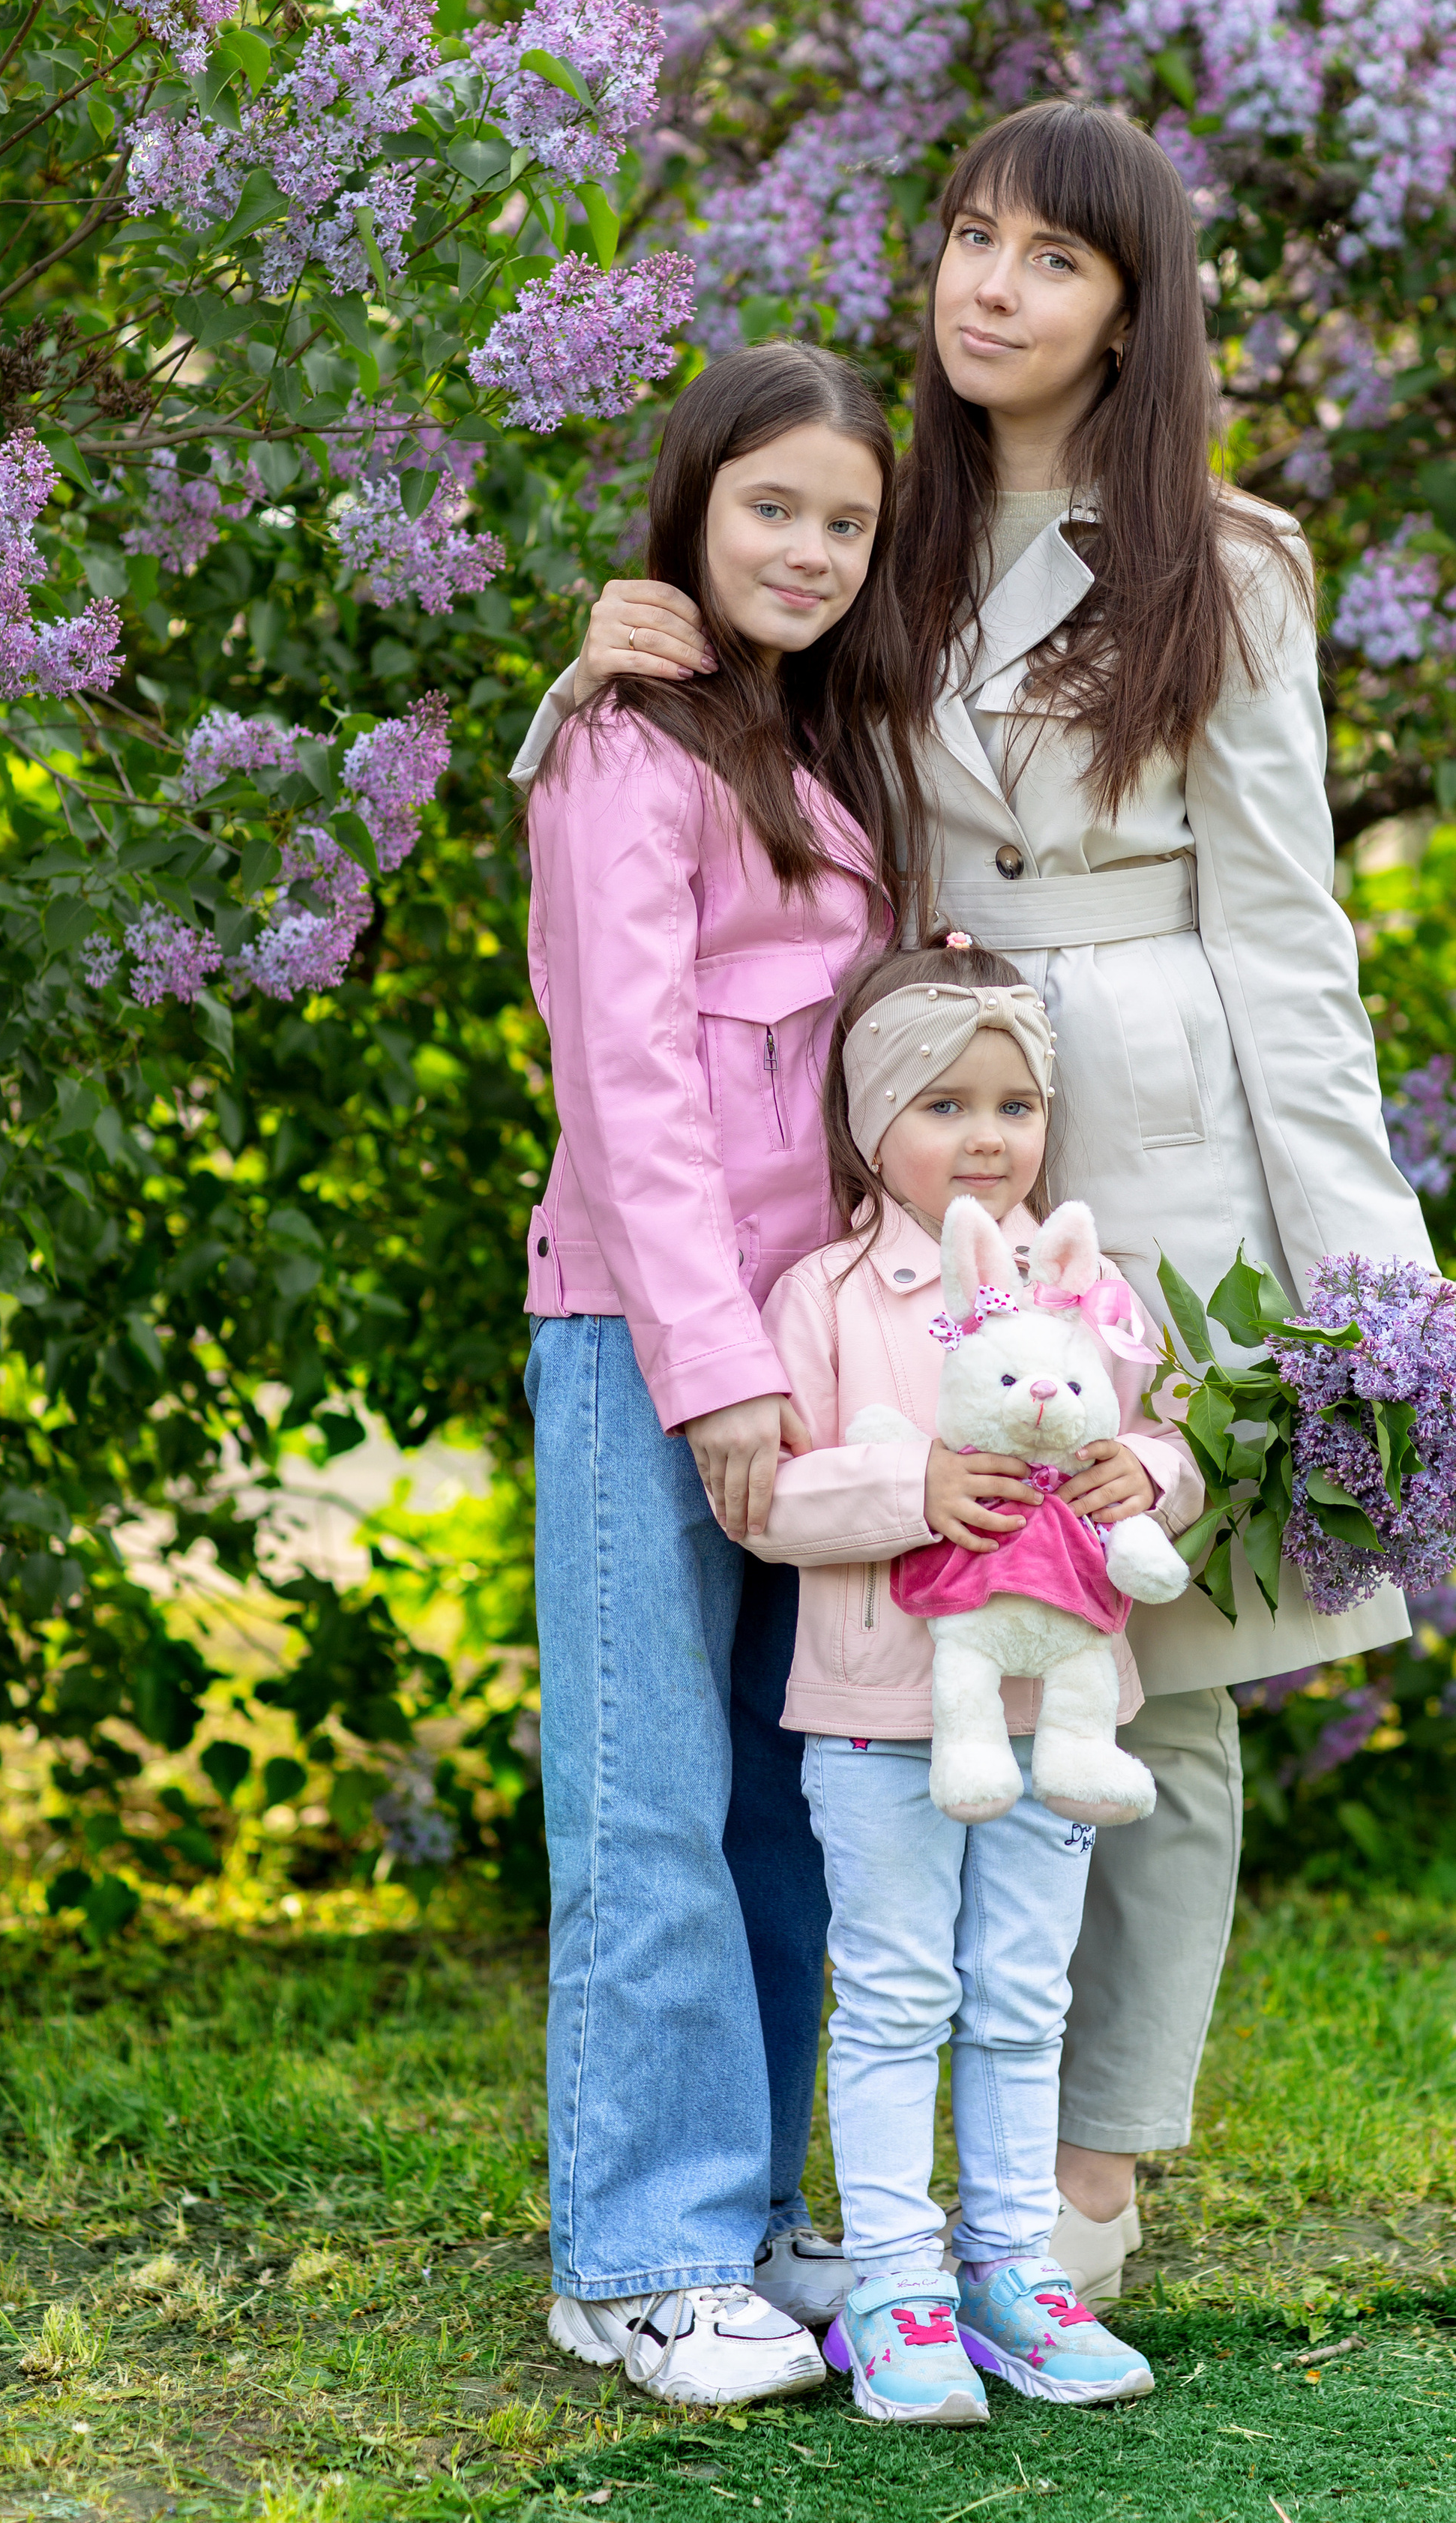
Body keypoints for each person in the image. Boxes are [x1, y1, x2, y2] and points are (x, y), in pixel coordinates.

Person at [518, 99, 1439, 2307]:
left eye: (1049, 258)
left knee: (1175, 1655)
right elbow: (719, 760)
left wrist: (1365, 1273)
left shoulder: (1228, 561)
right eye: (966, 240)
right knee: (889, 1645)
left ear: (1134, 310)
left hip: (1167, 1104)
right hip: (922, 1112)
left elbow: (1293, 935)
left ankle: (1094, 2163)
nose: (986, 286)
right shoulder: (877, 527)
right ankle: (882, 2174)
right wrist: (596, 660)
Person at [522, 341, 910, 2405]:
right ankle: (634, 2257)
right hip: (646, 1345)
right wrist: (715, 1375)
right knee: (650, 1804)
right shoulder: (622, 749)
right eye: (773, 507)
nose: (811, 548)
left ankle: (748, 2214)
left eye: (845, 520)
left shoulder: (820, 751)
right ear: (692, 509)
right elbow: (637, 1091)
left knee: (785, 1800)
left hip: (817, 1350)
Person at [744, 935, 1196, 2422]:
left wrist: (1149, 1470)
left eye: (1012, 1103)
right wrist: (910, 1485)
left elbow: (1160, 1449)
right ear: (869, 1123)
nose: (984, 1138)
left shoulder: (1093, 1293)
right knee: (890, 1997)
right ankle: (891, 2285)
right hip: (882, 1721)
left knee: (1020, 1994)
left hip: (1056, 1713)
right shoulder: (823, 1295)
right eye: (942, 1105)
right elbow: (765, 1499)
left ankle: (1012, 2270)